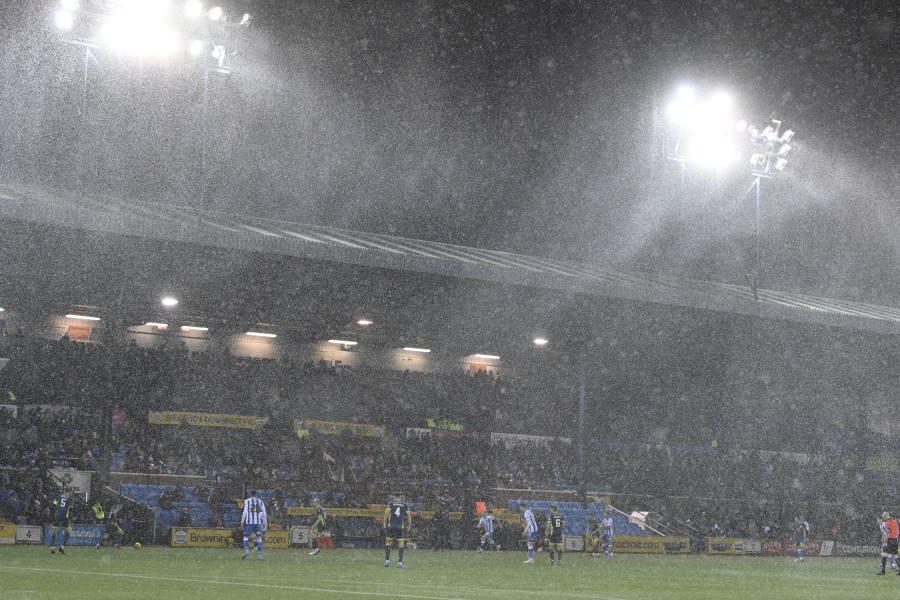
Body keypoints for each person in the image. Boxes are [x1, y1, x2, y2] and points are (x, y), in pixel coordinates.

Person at [383, 494, 411, 568]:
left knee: (388, 542)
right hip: (399, 527)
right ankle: (400, 563)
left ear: (394, 497)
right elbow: (409, 515)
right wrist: (409, 525)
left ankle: (387, 561)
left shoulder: (391, 504)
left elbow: (386, 513)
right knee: (401, 543)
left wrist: (384, 522)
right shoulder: (404, 505)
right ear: (400, 497)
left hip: (391, 526)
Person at [240, 489, 267, 560]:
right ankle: (260, 556)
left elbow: (245, 512)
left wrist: (242, 522)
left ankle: (247, 550)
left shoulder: (247, 501)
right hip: (258, 522)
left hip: (249, 522)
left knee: (246, 537)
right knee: (259, 538)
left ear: (250, 494)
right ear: (256, 494)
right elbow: (264, 513)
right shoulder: (260, 502)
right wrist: (264, 523)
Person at [877, 511, 899, 576]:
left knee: (884, 554)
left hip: (889, 540)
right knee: (895, 556)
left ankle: (883, 571)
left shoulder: (886, 523)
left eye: (883, 516)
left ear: (886, 516)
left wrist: (885, 542)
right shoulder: (894, 521)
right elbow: (896, 531)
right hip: (895, 540)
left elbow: (887, 533)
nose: (882, 518)